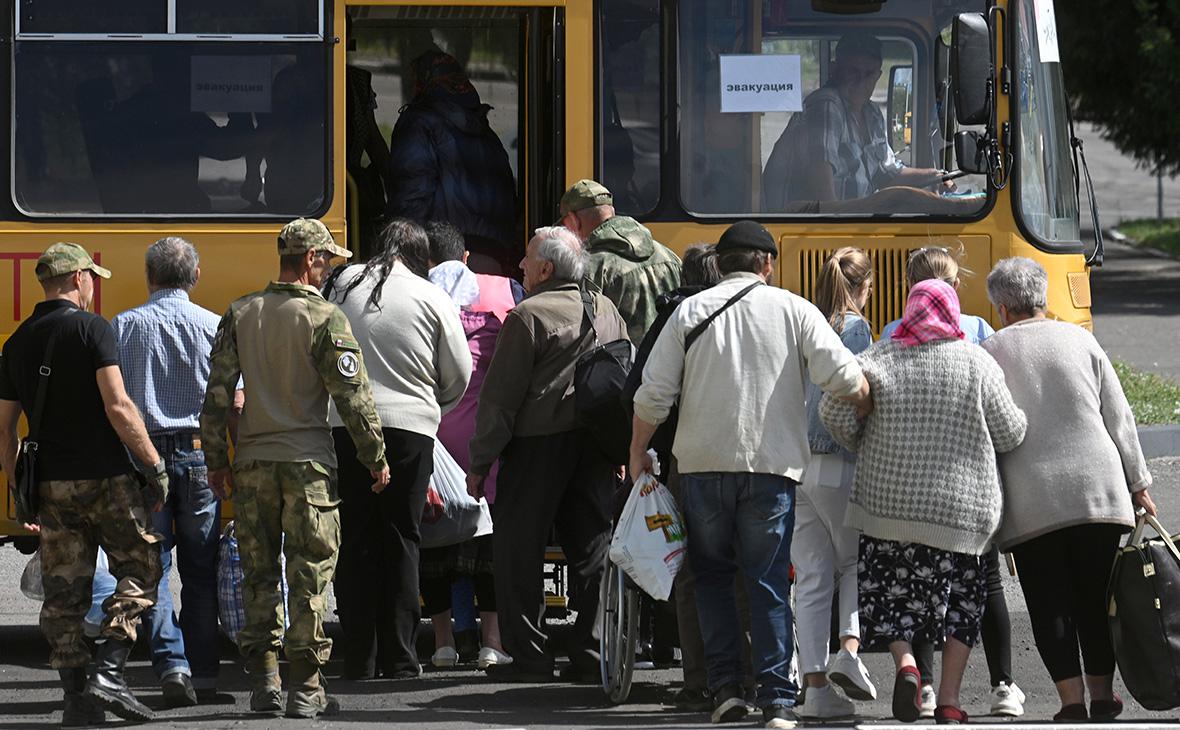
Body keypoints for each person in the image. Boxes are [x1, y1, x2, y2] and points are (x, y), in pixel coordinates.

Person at [630, 221, 872, 730]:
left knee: (712, 580)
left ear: (720, 264)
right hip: (771, 472)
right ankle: (779, 701)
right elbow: (848, 379)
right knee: (765, 584)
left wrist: (636, 452)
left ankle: (726, 692)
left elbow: (653, 395)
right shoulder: (793, 309)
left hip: (700, 470)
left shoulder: (688, 312)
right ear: (767, 264)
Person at [200, 218, 390, 718]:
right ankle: (305, 688)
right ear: (309, 260)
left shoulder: (241, 312)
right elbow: (353, 398)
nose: (328, 270)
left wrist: (217, 463)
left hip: (254, 466)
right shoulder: (325, 317)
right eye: (326, 261)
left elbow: (217, 397)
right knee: (309, 576)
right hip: (308, 466)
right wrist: (376, 459)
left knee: (259, 576)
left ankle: (265, 683)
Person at [820, 279, 1027, 725]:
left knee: (891, 596)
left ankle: (907, 665)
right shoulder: (977, 363)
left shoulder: (877, 359)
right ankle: (950, 699)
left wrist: (859, 435)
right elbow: (1011, 431)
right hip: (961, 513)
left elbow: (831, 410)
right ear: (953, 312)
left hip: (887, 508)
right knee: (962, 603)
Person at [0, 242, 169, 724]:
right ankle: (109, 675)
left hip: (51, 485)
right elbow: (118, 406)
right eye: (92, 277)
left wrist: (19, 489)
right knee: (140, 569)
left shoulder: (18, 340)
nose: (94, 285)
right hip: (107, 480)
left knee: (64, 593)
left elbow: (4, 429)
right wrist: (153, 464)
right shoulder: (93, 328)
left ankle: (76, 700)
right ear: (78, 278)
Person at [981, 257, 1156, 723]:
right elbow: (1120, 419)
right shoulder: (1082, 339)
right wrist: (1139, 484)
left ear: (1000, 306)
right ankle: (1103, 697)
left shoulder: (991, 350)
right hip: (1097, 492)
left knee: (1048, 603)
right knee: (1097, 600)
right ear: (1044, 297)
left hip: (1031, 499)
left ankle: (1071, 703)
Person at [466, 226, 628, 683]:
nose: (519, 265)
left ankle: (532, 657)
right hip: (594, 445)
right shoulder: (607, 309)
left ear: (546, 268)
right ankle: (590, 649)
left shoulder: (527, 316)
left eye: (527, 257)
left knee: (519, 550)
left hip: (538, 445)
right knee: (593, 548)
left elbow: (500, 400)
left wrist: (480, 464)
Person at [323, 219, 472, 680]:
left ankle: (359, 658)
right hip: (410, 431)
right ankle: (402, 658)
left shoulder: (341, 284)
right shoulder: (431, 296)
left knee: (355, 539)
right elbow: (459, 372)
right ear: (423, 258)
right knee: (402, 538)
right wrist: (431, 408)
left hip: (346, 427)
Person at [880, 246, 1024, 718]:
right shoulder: (979, 334)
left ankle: (921, 687)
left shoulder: (889, 337)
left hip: (906, 483)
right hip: (968, 483)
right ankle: (1002, 684)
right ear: (955, 287)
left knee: (916, 586)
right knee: (984, 586)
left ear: (910, 290)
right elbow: (1003, 418)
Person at [90, 237, 222, 706]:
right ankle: (205, 674)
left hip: (144, 461)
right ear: (196, 277)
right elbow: (236, 398)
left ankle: (173, 665)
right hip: (200, 454)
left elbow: (111, 404)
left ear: (149, 277)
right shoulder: (213, 325)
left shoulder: (122, 327)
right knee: (202, 569)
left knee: (151, 567)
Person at [622, 243, 735, 712]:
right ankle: (744, 677)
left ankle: (699, 680)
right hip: (747, 458)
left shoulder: (675, 315)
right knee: (745, 572)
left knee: (691, 574)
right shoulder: (746, 313)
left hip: (683, 460)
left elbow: (640, 389)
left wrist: (642, 450)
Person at [422, 221, 517, 670]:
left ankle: (443, 642)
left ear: (425, 261)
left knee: (438, 538)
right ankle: (492, 641)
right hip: (487, 438)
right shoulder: (505, 290)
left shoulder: (414, 293)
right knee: (488, 539)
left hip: (435, 439)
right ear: (465, 259)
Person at [794, 247, 877, 719]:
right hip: (838, 461)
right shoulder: (855, 327)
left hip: (799, 464)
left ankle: (815, 687)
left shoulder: (807, 323)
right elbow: (855, 390)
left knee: (811, 578)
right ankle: (849, 649)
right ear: (866, 287)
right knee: (852, 564)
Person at [762, 32, 948, 210]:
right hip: (805, 228)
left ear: (878, 76)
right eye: (853, 71)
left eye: (868, 74)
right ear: (835, 70)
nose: (861, 81)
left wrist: (935, 176)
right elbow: (824, 199)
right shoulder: (826, 104)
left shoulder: (872, 113)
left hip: (848, 222)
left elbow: (887, 174)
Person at [385, 49, 517, 273]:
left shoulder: (418, 124)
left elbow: (411, 195)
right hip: (495, 256)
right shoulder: (486, 132)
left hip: (443, 255)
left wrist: (406, 258)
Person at [558, 179, 682, 343]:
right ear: (612, 211)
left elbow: (583, 336)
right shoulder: (669, 256)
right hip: (668, 364)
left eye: (566, 225)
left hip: (624, 366)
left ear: (574, 220)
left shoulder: (591, 268)